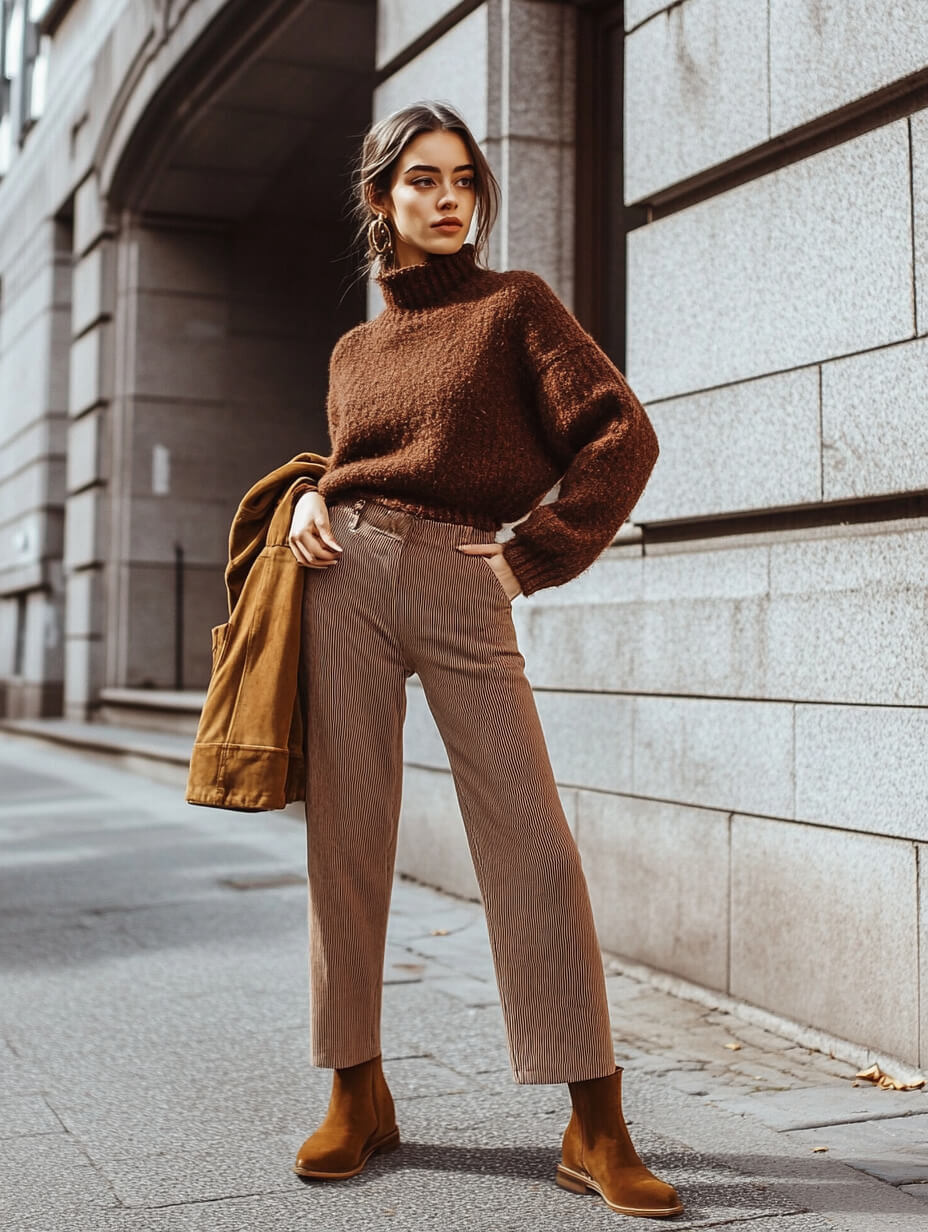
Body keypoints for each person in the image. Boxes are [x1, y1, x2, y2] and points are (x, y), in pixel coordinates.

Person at [286, 100, 683, 1220]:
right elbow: (353, 461)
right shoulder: (353, 347)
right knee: (346, 837)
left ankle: (594, 1122)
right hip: (345, 580)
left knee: (532, 846)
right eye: (421, 179)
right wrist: (309, 498)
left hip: (469, 578)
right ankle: (354, 1088)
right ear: (381, 200)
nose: (448, 196)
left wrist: (536, 554)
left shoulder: (517, 306)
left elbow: (620, 431)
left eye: (463, 177)